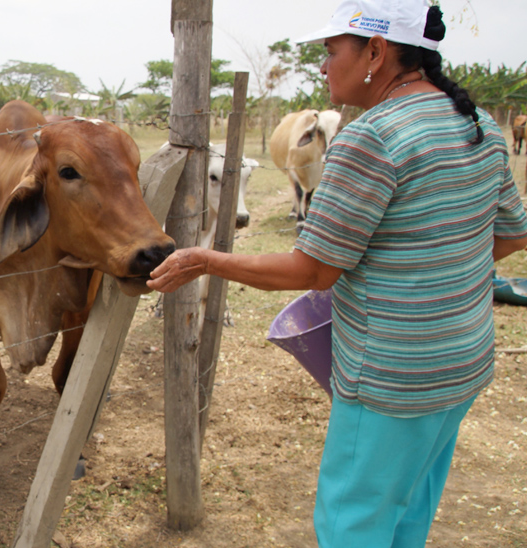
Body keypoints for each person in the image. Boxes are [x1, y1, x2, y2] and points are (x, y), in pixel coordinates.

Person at [147, 0, 527, 546]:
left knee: (353, 524)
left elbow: (314, 269)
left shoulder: (372, 136)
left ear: (376, 51)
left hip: (393, 376)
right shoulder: (477, 127)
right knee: (408, 511)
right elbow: (513, 234)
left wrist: (203, 259)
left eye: (330, 52)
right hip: (462, 362)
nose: (323, 67)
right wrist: (434, 264)